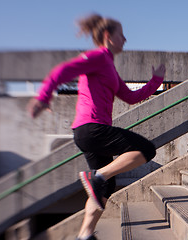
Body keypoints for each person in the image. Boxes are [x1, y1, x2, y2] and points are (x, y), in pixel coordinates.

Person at [27, 13, 166, 240]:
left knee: (106, 188)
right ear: (108, 36)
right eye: (122, 35)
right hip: (91, 129)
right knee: (146, 150)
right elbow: (62, 71)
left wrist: (155, 82)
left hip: (89, 133)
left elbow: (130, 97)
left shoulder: (109, 66)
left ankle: (85, 234)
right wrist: (43, 97)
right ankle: (98, 176)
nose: (126, 39)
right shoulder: (97, 58)